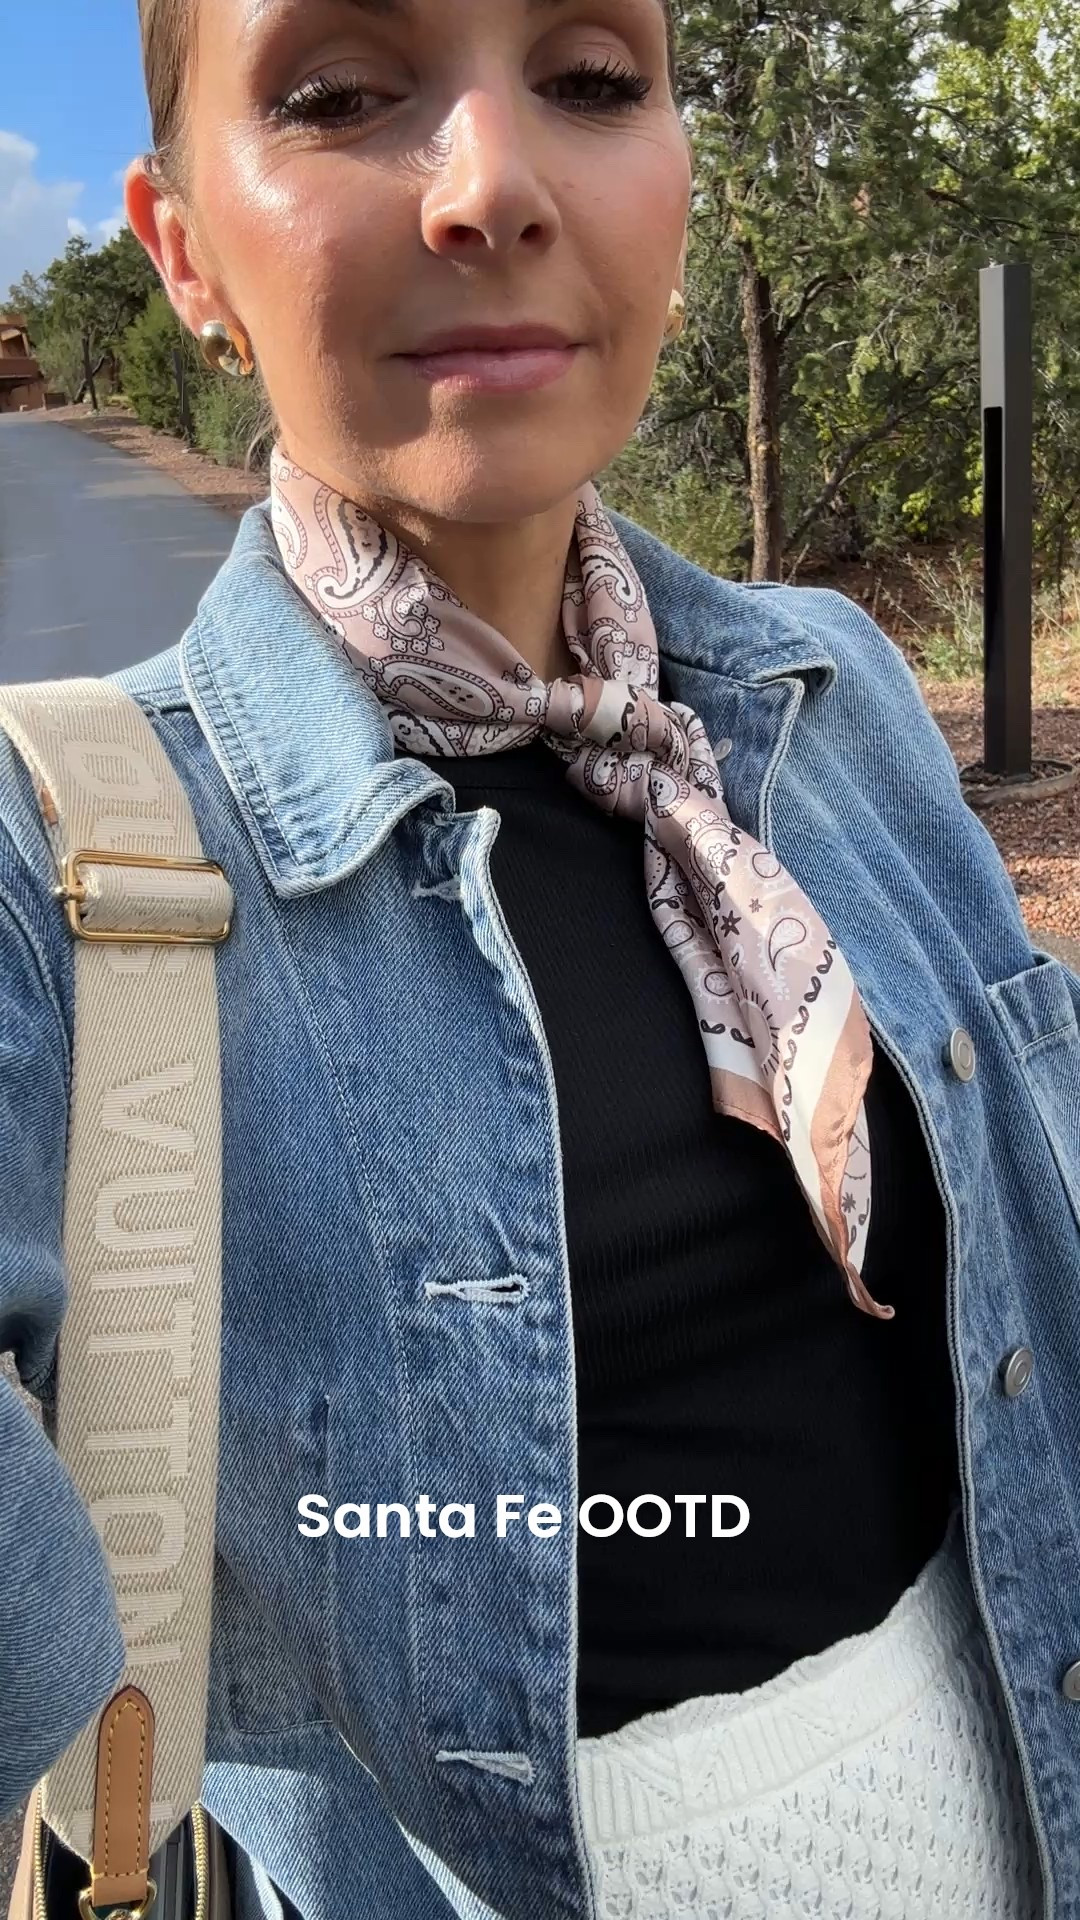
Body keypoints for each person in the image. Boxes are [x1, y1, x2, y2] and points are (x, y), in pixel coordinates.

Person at [1, 0, 1078, 1915]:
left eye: (592, 82)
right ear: (184, 256)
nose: (495, 182)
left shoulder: (830, 694)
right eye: (340, 96)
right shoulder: (51, 870)